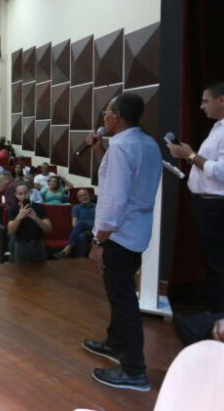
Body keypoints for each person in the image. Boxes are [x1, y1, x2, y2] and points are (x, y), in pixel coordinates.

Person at [82, 92, 162, 392]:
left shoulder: (123, 148)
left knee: (124, 301)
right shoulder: (146, 143)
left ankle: (134, 371)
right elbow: (117, 179)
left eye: (107, 112)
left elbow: (114, 201)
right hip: (137, 231)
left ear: (118, 116)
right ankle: (115, 343)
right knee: (122, 294)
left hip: (118, 234)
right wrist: (100, 150)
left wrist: (98, 241)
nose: (104, 117)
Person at [167, 80, 224, 312]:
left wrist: (189, 155)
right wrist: (190, 155)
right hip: (209, 204)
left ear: (222, 100)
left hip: (220, 206)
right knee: (213, 263)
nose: (202, 106)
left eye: (205, 100)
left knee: (223, 265)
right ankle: (216, 314)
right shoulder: (223, 126)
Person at [6, 181, 52, 263]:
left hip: (38, 244)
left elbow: (49, 229)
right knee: (21, 273)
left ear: (30, 193)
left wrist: (36, 218)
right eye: (20, 194)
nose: (23, 196)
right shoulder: (13, 209)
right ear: (16, 195)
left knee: (41, 271)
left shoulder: (39, 207)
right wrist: (19, 217)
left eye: (25, 193)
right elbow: (10, 232)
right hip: (21, 244)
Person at [55, 189, 96, 259]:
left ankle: (67, 248)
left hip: (95, 230)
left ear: (89, 196)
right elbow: (74, 224)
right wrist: (82, 228)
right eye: (80, 196)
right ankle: (80, 260)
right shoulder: (76, 208)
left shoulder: (97, 207)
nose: (83, 197)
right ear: (78, 199)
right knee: (81, 236)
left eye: (85, 195)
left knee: (81, 223)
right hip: (83, 231)